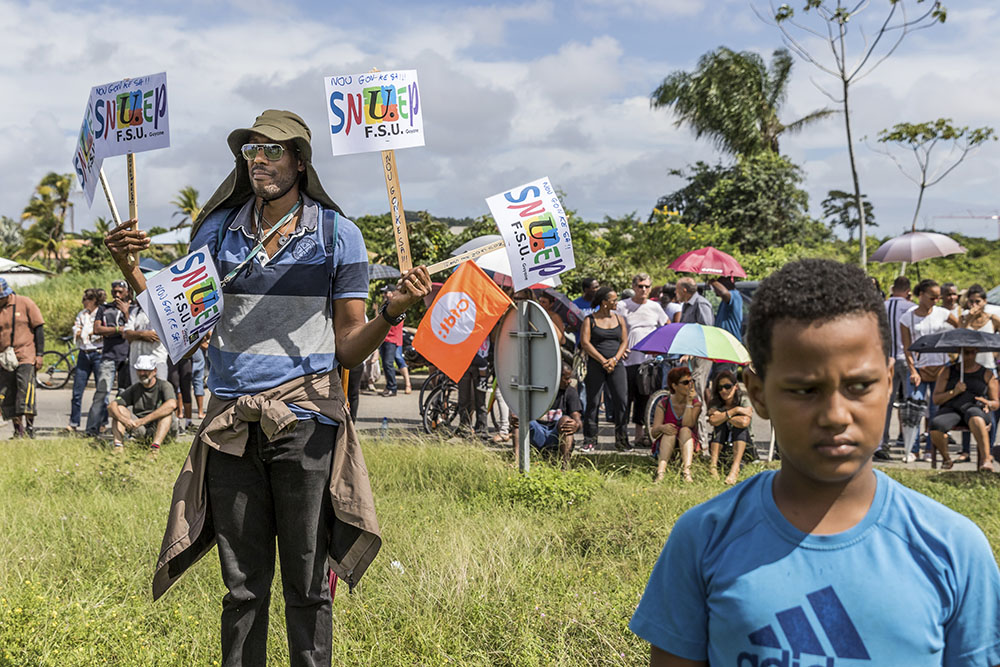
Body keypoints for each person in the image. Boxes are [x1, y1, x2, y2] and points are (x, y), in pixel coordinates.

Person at [105, 109, 432, 666]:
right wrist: (131, 267)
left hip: (305, 423)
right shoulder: (218, 231)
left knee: (306, 583)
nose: (259, 161)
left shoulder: (337, 235)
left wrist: (390, 313)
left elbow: (349, 346)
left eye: (273, 151)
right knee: (242, 587)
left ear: (300, 163)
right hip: (232, 425)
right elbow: (181, 320)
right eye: (251, 151)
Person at [630, 258, 1000, 666]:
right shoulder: (703, 540)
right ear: (758, 393)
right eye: (804, 390)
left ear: (889, 380)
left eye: (860, 385)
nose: (836, 415)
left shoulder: (953, 550)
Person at [898, 279, 959, 462]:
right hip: (919, 370)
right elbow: (907, 347)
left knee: (935, 411)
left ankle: (930, 450)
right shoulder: (907, 318)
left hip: (941, 369)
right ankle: (912, 450)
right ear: (921, 295)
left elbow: (960, 327)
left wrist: (952, 349)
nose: (936, 300)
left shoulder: (942, 313)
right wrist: (913, 371)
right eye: (932, 297)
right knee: (914, 409)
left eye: (937, 297)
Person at [617, 273, 668, 448]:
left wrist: (660, 347)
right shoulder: (623, 306)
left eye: (646, 286)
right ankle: (622, 437)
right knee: (625, 399)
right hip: (628, 361)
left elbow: (666, 326)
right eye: (640, 286)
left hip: (649, 362)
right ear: (633, 287)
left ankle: (642, 435)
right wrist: (619, 348)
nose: (643, 289)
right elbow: (614, 327)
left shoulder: (655, 307)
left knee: (645, 398)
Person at [929, 347, 998, 471]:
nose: (970, 356)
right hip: (952, 409)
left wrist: (989, 403)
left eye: (973, 352)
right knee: (936, 425)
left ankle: (986, 459)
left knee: (976, 417)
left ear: (976, 352)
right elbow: (936, 399)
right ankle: (946, 459)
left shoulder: (987, 373)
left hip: (976, 408)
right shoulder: (948, 371)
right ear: (960, 353)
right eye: (966, 353)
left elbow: (996, 402)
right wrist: (954, 392)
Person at [579, 286, 629, 451]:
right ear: (604, 302)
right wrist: (603, 361)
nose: (617, 303)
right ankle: (590, 440)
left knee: (621, 401)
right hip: (596, 365)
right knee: (593, 402)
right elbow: (585, 343)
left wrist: (614, 359)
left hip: (616, 364)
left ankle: (622, 440)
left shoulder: (619, 319)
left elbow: (624, 341)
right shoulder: (590, 320)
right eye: (614, 300)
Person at [956, 284, 1000, 462]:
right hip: (966, 369)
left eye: (978, 301)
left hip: (987, 368)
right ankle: (965, 450)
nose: (974, 304)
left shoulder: (993, 319)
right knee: (966, 408)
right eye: (971, 301)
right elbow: (958, 338)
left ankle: (986, 452)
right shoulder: (964, 318)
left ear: (985, 302)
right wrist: (967, 321)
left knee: (991, 409)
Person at [85, 280, 133, 436]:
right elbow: (97, 329)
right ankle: (92, 429)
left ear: (127, 291)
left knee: (124, 394)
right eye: (114, 291)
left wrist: (126, 313)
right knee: (102, 392)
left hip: (127, 356)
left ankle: (125, 430)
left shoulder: (133, 308)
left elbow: (133, 329)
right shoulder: (104, 308)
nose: (117, 294)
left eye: (120, 291)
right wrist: (119, 329)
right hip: (108, 355)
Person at [107, 355, 177, 456]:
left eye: (146, 370)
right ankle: (118, 446)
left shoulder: (164, 385)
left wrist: (144, 420)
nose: (142, 373)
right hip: (140, 429)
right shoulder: (135, 388)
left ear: (154, 371)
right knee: (118, 410)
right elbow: (112, 406)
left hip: (161, 429)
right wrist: (124, 420)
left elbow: (172, 404)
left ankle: (154, 449)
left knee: (167, 413)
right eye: (139, 370)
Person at [0, 278, 44, 438]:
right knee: (8, 394)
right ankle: (18, 430)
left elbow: (39, 329)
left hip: (25, 355)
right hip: (4, 358)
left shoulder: (25, 303)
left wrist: (39, 355)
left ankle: (30, 429)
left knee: (25, 393)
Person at [518, 363, 583, 469]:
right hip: (537, 432)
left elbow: (577, 418)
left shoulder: (570, 391)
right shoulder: (538, 390)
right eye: (566, 378)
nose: (570, 381)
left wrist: (576, 425)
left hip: (556, 434)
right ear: (556, 377)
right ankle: (517, 461)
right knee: (521, 419)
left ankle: (564, 466)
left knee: (566, 421)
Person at [677, 277, 714, 443]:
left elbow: (706, 331)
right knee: (688, 395)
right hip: (689, 355)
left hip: (700, 356)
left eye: (677, 289)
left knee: (697, 396)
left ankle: (703, 441)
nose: (675, 293)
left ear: (685, 290)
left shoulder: (701, 303)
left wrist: (692, 351)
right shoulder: (686, 305)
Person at [879, 275, 913, 458]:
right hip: (907, 359)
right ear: (908, 290)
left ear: (892, 289)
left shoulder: (881, 307)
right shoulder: (911, 308)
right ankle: (910, 446)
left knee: (886, 403)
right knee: (910, 404)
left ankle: (881, 443)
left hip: (886, 359)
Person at [649, 366, 701, 483]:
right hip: (667, 442)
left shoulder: (696, 404)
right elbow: (654, 432)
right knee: (669, 432)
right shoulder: (664, 403)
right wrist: (662, 427)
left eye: (691, 381)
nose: (690, 385)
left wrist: (688, 403)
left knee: (685, 430)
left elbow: (688, 423)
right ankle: (660, 472)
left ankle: (687, 472)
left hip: (687, 440)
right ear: (674, 386)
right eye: (686, 382)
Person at [705, 370, 752, 484]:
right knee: (720, 426)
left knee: (739, 427)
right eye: (720, 388)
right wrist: (735, 412)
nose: (723, 391)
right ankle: (713, 467)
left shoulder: (743, 400)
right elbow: (713, 421)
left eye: (727, 386)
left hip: (744, 447)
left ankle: (734, 470)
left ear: (735, 387)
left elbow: (744, 422)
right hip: (722, 446)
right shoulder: (715, 402)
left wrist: (725, 415)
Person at [68, 288, 102, 432]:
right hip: (84, 352)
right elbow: (76, 329)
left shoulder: (101, 313)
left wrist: (90, 332)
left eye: (85, 300)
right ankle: (74, 422)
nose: (83, 303)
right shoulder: (82, 314)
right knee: (77, 390)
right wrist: (79, 331)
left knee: (101, 390)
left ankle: (102, 422)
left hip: (98, 352)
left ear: (93, 300)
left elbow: (102, 331)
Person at [123, 302, 168, 385]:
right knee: (137, 393)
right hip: (136, 361)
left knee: (159, 392)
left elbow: (156, 336)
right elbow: (126, 334)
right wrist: (143, 334)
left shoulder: (162, 311)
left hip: (157, 361)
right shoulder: (136, 311)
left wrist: (135, 334)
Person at [378, 285, 409, 397]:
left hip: (392, 339)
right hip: (384, 338)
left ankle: (393, 388)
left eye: (387, 293)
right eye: (384, 293)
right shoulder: (386, 305)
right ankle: (388, 386)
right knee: (386, 365)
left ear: (393, 293)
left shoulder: (398, 305)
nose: (385, 295)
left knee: (388, 363)